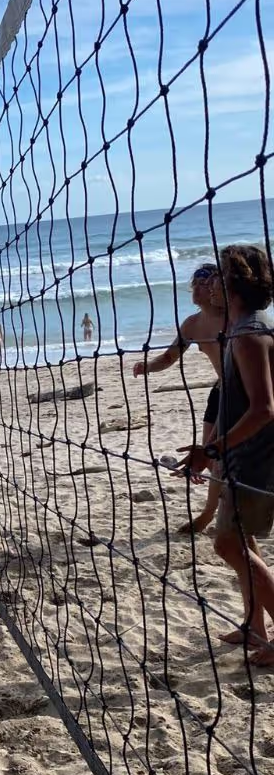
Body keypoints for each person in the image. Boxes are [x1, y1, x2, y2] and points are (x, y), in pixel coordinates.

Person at [175, 246, 274, 664]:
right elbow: (239, 403)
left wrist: (213, 448)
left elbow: (263, 409)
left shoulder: (249, 334)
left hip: (255, 456)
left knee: (227, 543)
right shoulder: (238, 330)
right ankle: (255, 624)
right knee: (241, 538)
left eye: (218, 274)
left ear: (234, 283)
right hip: (243, 453)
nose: (210, 281)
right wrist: (211, 447)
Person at [133, 264, 225, 534]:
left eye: (204, 282)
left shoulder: (234, 319)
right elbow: (169, 357)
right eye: (194, 282)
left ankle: (214, 513)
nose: (196, 287)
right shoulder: (192, 324)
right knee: (213, 457)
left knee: (218, 453)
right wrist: (147, 367)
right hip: (220, 391)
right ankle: (208, 513)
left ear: (217, 288)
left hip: (245, 391)